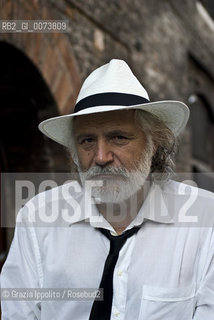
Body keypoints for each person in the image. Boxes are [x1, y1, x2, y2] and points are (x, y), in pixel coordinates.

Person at [1, 59, 214, 319]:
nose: (101, 156)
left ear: (154, 143)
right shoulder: (37, 219)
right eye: (88, 140)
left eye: (119, 137)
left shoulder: (205, 219)